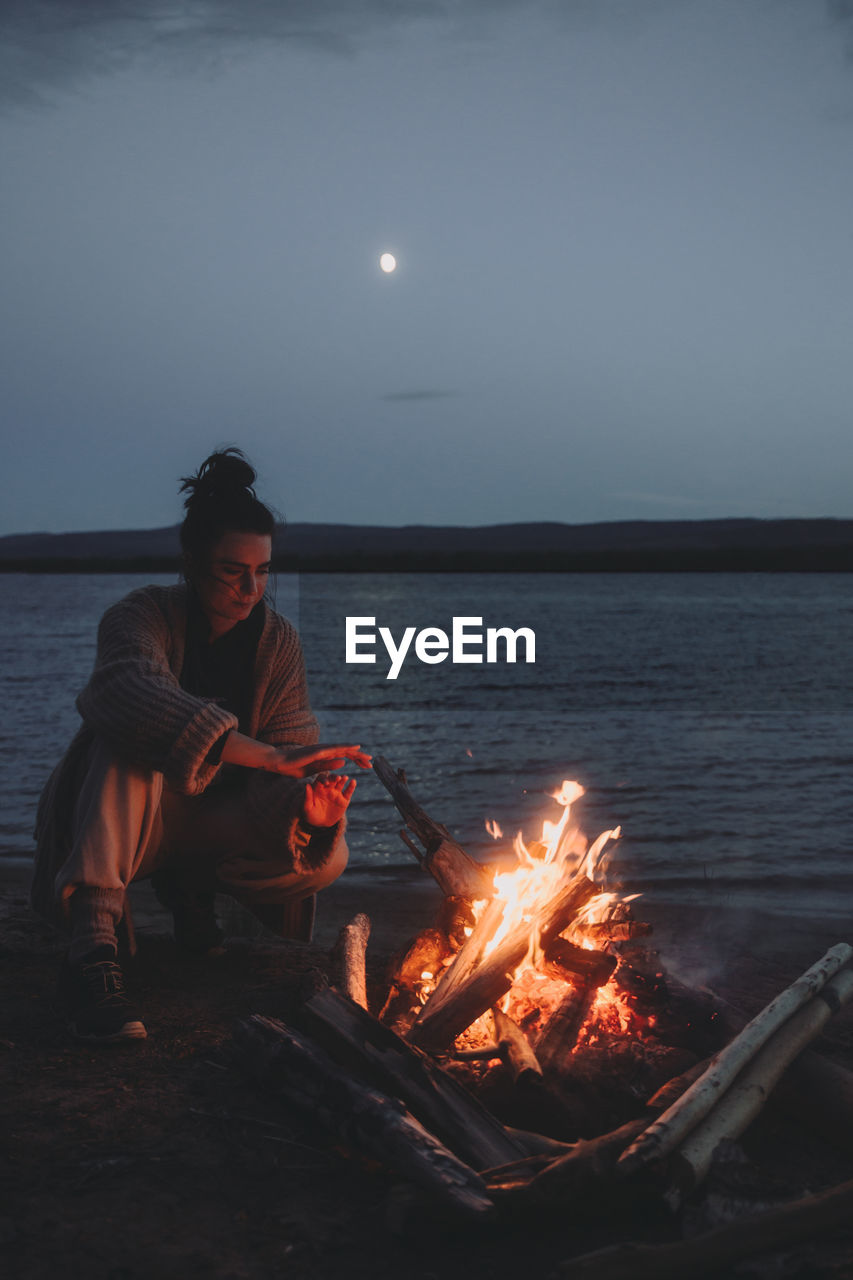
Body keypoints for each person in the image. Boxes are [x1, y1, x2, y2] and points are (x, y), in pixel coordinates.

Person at [31, 447, 371, 1043]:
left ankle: (191, 889)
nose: (250, 588)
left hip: (216, 824)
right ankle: (91, 954)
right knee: (132, 742)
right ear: (190, 562)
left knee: (331, 856)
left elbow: (291, 752)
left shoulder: (278, 642)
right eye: (231, 570)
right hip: (135, 818)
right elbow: (124, 691)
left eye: (263, 571)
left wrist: (310, 813)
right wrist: (265, 755)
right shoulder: (141, 614)